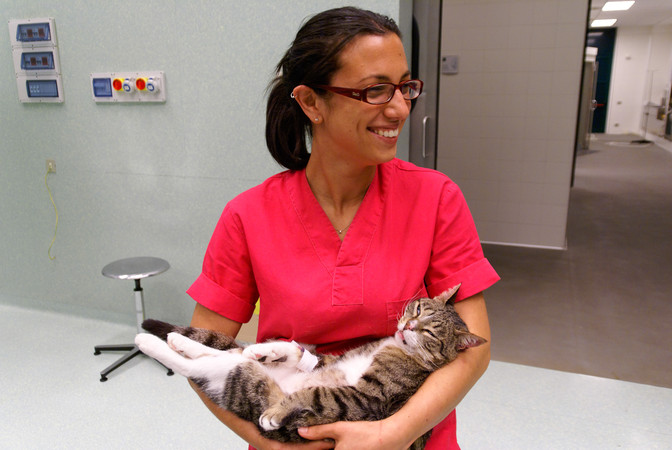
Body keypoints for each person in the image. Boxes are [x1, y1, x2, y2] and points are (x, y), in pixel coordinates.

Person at [186, 6, 499, 450]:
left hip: (411, 435)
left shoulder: (435, 199)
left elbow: (475, 348)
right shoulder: (248, 215)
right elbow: (203, 358)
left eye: (404, 87)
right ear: (312, 102)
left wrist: (393, 433)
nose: (398, 108)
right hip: (290, 429)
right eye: (375, 90)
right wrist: (273, 444)